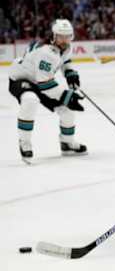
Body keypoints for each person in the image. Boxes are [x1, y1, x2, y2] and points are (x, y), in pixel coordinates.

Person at [8, 19, 87, 164]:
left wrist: (70, 73)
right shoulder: (46, 53)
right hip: (21, 78)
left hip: (40, 79)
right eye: (61, 36)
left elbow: (65, 60)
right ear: (54, 36)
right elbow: (45, 85)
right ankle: (25, 142)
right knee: (30, 100)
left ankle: (67, 143)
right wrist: (66, 96)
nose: (64, 40)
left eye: (68, 36)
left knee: (67, 111)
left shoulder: (65, 46)